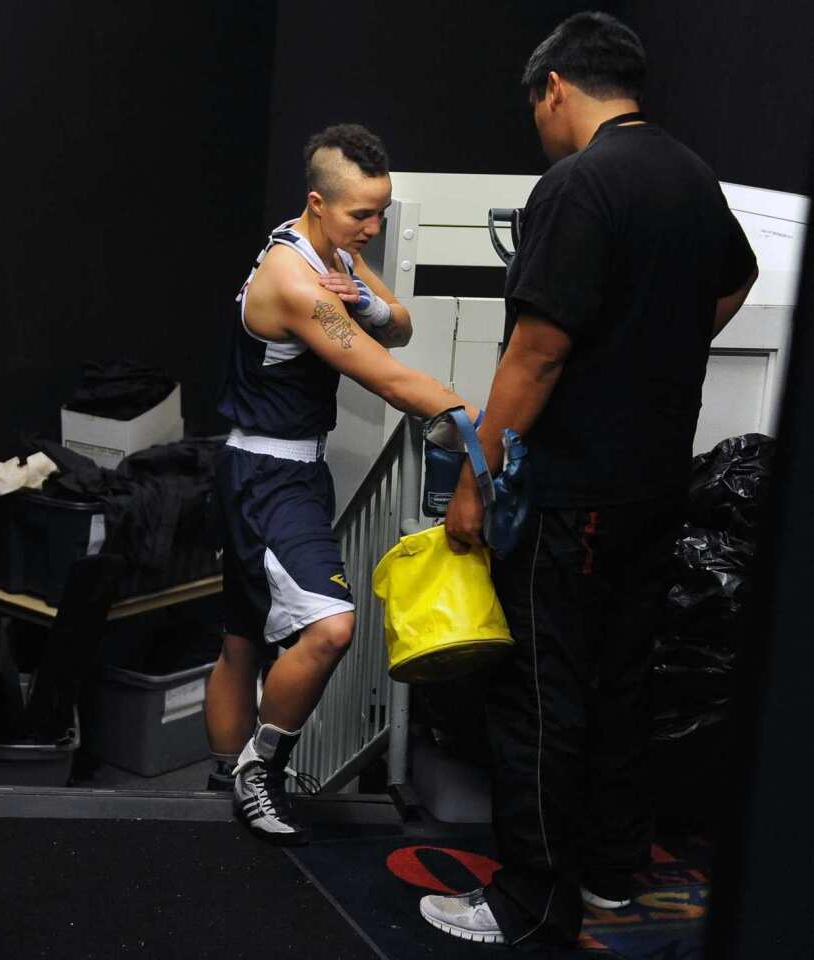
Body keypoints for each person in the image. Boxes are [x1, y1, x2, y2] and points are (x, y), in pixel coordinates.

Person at [423, 12, 758, 946]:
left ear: (556, 87)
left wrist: (473, 481)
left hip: (573, 492)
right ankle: (611, 877)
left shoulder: (577, 183)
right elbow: (735, 278)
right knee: (622, 684)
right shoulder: (690, 174)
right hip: (654, 482)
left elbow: (533, 354)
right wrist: (656, 344)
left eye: (536, 106)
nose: (538, 122)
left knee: (538, 691)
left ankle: (526, 902)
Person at [206, 123, 477, 844]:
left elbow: (399, 326)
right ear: (317, 202)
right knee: (330, 627)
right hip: (266, 475)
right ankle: (258, 770)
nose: (374, 226)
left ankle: (219, 776)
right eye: (361, 213)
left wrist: (359, 296)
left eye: (381, 211)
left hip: (278, 466)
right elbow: (385, 373)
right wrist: (469, 418)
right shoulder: (293, 278)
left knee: (240, 639)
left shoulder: (326, 248)